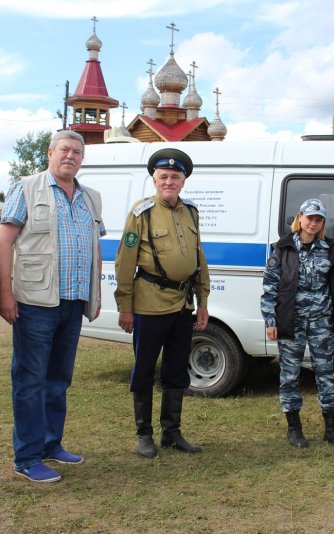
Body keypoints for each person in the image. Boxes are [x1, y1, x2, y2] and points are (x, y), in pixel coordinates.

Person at [0, 130, 105, 483]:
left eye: (77, 151)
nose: (70, 156)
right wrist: (6, 293)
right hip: (35, 302)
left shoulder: (90, 197)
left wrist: (95, 294)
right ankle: (27, 458)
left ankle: (50, 444)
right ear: (50, 153)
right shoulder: (26, 187)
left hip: (72, 302)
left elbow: (95, 249)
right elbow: (4, 241)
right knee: (30, 380)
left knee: (59, 379)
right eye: (64, 150)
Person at [114, 148, 210, 458]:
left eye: (175, 177)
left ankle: (172, 432)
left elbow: (198, 258)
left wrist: (203, 301)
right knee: (143, 370)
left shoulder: (190, 212)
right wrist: (125, 306)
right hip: (148, 305)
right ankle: (144, 435)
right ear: (154, 181)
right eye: (163, 177)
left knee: (177, 370)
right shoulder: (141, 212)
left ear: (183, 181)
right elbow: (124, 262)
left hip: (182, 305)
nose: (169, 181)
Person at [260, 198, 334, 450]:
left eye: (318, 219)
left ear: (322, 222)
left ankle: (331, 431)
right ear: (300, 218)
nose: (313, 223)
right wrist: (270, 320)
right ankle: (294, 429)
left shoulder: (330, 250)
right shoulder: (282, 248)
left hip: (322, 324)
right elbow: (270, 287)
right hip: (291, 322)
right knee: (289, 376)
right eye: (309, 217)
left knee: (326, 375)